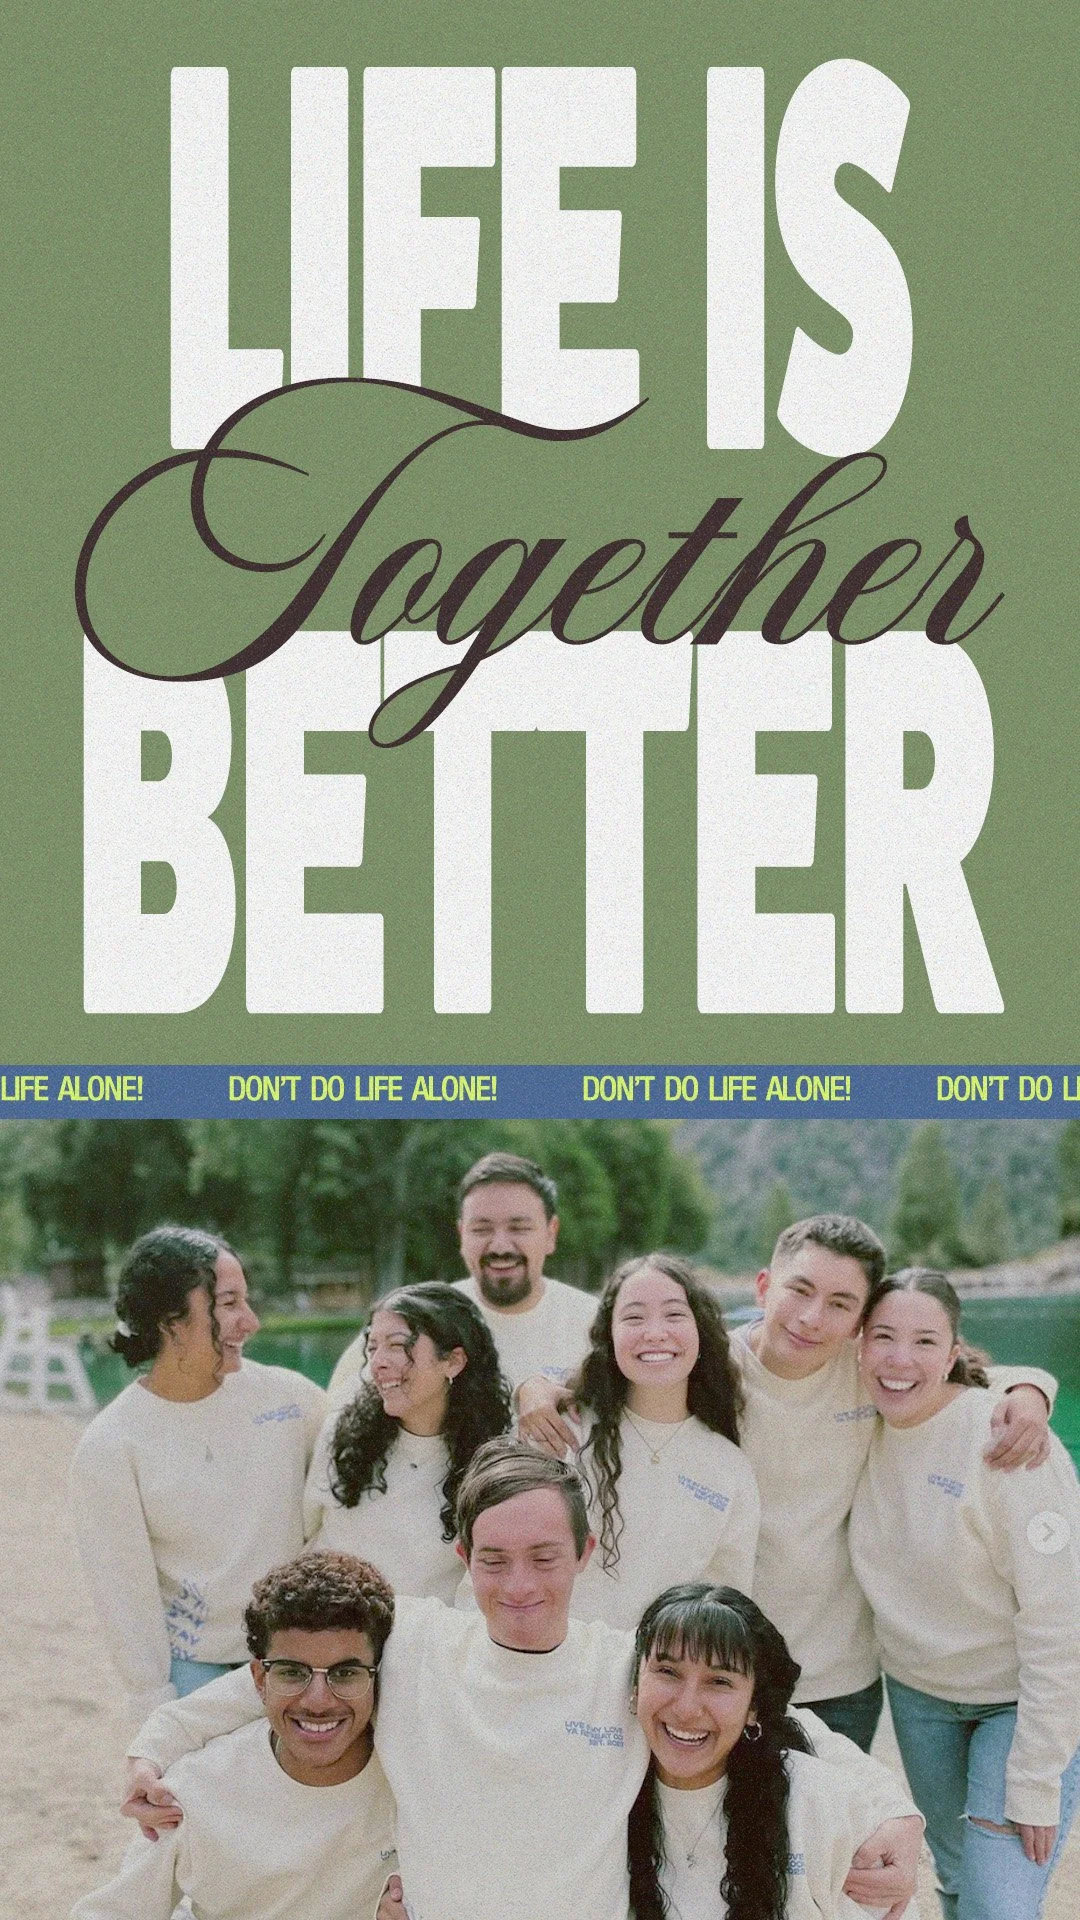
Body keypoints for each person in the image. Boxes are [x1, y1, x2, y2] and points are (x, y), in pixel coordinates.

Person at [121, 1441, 923, 1920]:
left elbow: (783, 1720)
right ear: (464, 1558)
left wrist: (892, 1811)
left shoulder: (623, 1667)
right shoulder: (416, 1643)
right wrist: (155, 1746)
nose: (520, 1587)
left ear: (584, 1552)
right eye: (494, 1560)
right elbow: (267, 1682)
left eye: (545, 1558)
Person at [519, 1215, 1055, 1750]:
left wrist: (1031, 1389)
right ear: (763, 1287)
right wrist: (535, 1388)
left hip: (841, 1670)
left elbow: (967, 1379)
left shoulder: (872, 1373)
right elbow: (622, 1366)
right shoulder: (712, 1364)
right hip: (726, 1661)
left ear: (861, 1323)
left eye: (841, 1304)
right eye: (799, 1290)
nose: (811, 1318)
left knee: (826, 1827)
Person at [850, 1268, 1080, 1920]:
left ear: (953, 1353)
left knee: (997, 1909)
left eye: (925, 1342)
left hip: (1018, 1703)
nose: (900, 1360)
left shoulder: (1008, 1444)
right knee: (954, 1881)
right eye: (884, 1337)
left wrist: (1036, 1781)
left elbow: (1060, 1622)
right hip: (920, 1700)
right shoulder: (859, 1416)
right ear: (859, 1346)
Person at [69, 1223, 326, 1714]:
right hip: (194, 1668)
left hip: (297, 1651)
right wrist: (155, 1705)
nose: (250, 1322)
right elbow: (125, 1599)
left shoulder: (292, 1400)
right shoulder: (110, 1446)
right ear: (171, 1322)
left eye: (245, 1302)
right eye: (228, 1304)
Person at [72, 1550, 398, 1919]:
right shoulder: (197, 1790)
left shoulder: (411, 1784)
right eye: (292, 1672)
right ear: (259, 1679)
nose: (318, 1702)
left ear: (378, 1675)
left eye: (346, 1673)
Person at [628, 1583, 920, 1920]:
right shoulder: (605, 1787)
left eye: (719, 1681)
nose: (686, 1708)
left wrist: (901, 1814)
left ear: (754, 1706)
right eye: (668, 1672)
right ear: (635, 1683)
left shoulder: (818, 1806)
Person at [523, 1253, 761, 1629]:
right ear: (610, 1335)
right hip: (556, 1669)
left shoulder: (729, 1466)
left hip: (661, 1677)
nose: (655, 1332)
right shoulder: (565, 1431)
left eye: (674, 1315)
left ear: (700, 1330)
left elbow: (726, 1607)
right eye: (634, 1317)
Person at [303, 1281, 512, 1601]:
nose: (378, 1362)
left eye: (398, 1346)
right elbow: (307, 1533)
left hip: (427, 1642)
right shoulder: (340, 1434)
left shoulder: (495, 1459)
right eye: (372, 1347)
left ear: (453, 1361)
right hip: (330, 1635)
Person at [327, 1152, 597, 1399]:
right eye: (482, 1229)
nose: (500, 1246)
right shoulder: (413, 1318)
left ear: (551, 1233)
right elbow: (340, 1418)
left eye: (519, 1228)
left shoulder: (596, 1324)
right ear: (461, 1235)